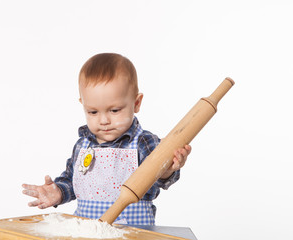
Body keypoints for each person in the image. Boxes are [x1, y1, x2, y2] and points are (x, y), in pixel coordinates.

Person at [22, 53, 191, 225]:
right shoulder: (83, 145)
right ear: (83, 105)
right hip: (87, 233)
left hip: (134, 233)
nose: (104, 121)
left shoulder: (144, 142)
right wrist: (58, 192)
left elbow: (159, 177)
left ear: (136, 103)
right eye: (93, 112)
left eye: (115, 110)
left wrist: (168, 170)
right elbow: (73, 182)